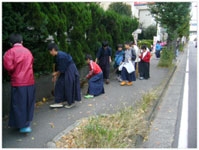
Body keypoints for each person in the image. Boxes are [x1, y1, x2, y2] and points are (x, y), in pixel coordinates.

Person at [3, 33, 36, 133]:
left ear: (11, 43)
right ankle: (26, 124)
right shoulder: (28, 52)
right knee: (28, 103)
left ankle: (21, 125)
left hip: (18, 82)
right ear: (22, 42)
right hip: (30, 81)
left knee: (18, 104)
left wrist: (12, 73)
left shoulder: (9, 52)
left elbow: (9, 67)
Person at [48, 43, 81, 108]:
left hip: (69, 70)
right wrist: (55, 76)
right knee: (59, 84)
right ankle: (59, 101)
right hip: (65, 70)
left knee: (69, 85)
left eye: (50, 51)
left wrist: (56, 74)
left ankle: (71, 102)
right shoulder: (57, 56)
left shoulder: (61, 56)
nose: (50, 53)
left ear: (53, 50)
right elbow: (58, 67)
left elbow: (61, 69)